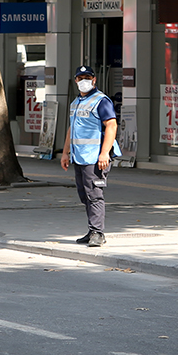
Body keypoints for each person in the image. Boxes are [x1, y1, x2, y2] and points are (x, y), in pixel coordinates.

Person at [59, 64, 118, 247]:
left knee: (94, 195)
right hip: (80, 157)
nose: (84, 81)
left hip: (95, 158)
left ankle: (98, 233)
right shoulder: (76, 103)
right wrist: (65, 152)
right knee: (84, 195)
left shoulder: (101, 101)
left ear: (94, 80)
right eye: (80, 78)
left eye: (87, 78)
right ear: (76, 81)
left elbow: (111, 125)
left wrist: (104, 153)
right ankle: (92, 230)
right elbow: (72, 129)